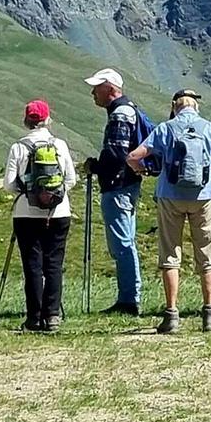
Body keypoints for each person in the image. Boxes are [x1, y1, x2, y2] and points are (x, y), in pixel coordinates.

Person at [125, 89, 211, 333]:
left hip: (170, 196)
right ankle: (209, 314)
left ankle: (171, 315)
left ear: (175, 108)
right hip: (204, 196)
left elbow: (133, 157)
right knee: (207, 254)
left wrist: (142, 171)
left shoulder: (166, 128)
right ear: (195, 108)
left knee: (170, 254)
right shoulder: (208, 128)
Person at [84, 67, 155, 316]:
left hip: (118, 185)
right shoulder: (129, 110)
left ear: (110, 89)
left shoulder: (119, 114)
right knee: (126, 241)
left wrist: (97, 167)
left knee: (122, 243)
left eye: (97, 88)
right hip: (128, 184)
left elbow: (117, 152)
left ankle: (129, 299)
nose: (93, 92)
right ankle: (129, 295)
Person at [5, 99, 79, 332]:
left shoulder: (18, 147)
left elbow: (8, 184)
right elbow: (71, 179)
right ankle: (53, 316)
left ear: (27, 121)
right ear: (48, 119)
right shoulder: (60, 145)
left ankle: (34, 318)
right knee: (54, 264)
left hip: (26, 214)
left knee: (33, 266)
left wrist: (28, 192)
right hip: (58, 213)